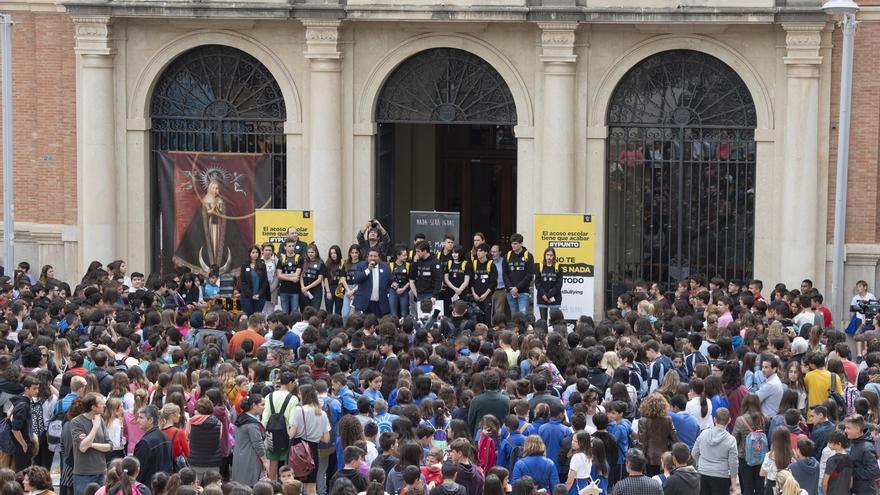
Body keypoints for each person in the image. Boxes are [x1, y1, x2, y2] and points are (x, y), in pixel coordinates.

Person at [291, 384, 332, 495]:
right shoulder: (322, 413)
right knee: (312, 486)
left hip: (299, 450)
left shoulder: (299, 410)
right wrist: (315, 434)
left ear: (304, 395)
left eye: (299, 393)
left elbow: (292, 433)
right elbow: (326, 439)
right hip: (314, 450)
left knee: (295, 485)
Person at [71, 392, 112, 495]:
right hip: (84, 474)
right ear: (93, 407)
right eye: (101, 403)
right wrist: (95, 427)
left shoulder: (100, 420)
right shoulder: (76, 422)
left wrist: (91, 444)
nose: (104, 405)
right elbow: (83, 448)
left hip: (101, 472)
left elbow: (109, 446)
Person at [692, 407, 738, 495]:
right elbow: (733, 463)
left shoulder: (704, 434)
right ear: (729, 420)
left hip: (703, 473)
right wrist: (733, 484)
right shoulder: (731, 439)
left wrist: (700, 463)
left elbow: (694, 452)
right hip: (721, 476)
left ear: (714, 419)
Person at [132, 405, 172, 486]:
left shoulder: (145, 442)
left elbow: (138, 470)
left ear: (150, 420)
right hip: (163, 485)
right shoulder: (164, 436)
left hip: (149, 487)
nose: (137, 420)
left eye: (141, 417)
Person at [843, 414, 880, 495]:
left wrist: (851, 471)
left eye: (848, 428)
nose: (845, 431)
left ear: (857, 429)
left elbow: (874, 472)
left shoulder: (866, 448)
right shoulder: (855, 442)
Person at [468, 370, 510, 437]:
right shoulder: (506, 400)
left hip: (480, 438)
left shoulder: (476, 400)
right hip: (499, 437)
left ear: (484, 384)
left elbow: (470, 421)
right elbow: (507, 420)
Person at [10, 375, 39, 471]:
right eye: (34, 389)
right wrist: (24, 445)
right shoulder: (23, 405)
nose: (37, 391)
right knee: (22, 473)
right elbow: (15, 429)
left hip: (23, 444)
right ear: (26, 389)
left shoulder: (21, 400)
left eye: (37, 388)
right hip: (21, 446)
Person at [353, 248, 393, 317]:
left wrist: (392, 285)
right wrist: (368, 269)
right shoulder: (361, 265)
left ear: (379, 257)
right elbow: (357, 279)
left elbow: (390, 281)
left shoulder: (385, 267)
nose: (373, 258)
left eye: (375, 256)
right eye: (371, 256)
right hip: (364, 304)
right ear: (367, 257)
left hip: (380, 305)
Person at [502, 234, 534, 316]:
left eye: (515, 243)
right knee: (514, 315)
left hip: (523, 292)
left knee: (522, 315)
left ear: (521, 243)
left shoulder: (528, 256)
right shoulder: (507, 256)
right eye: (512, 243)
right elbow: (504, 274)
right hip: (510, 292)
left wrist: (517, 287)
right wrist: (510, 288)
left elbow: (530, 275)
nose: (513, 246)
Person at [239, 245, 270, 315]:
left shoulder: (262, 265)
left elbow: (265, 282)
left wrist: (258, 294)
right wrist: (251, 295)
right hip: (247, 296)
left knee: (258, 317)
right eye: (253, 252)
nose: (255, 254)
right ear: (250, 254)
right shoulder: (245, 265)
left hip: (260, 296)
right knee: (249, 316)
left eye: (256, 252)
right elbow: (243, 282)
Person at [534, 247, 563, 321]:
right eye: (547, 255)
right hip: (542, 297)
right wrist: (544, 294)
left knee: (555, 320)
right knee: (543, 320)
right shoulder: (540, 266)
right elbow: (537, 283)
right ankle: (543, 333)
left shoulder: (558, 267)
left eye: (551, 255)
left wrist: (549, 295)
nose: (549, 257)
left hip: (554, 297)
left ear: (554, 256)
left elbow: (559, 284)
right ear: (544, 255)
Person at [276, 238, 303, 315]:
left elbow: (297, 275)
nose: (291, 247)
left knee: (294, 312)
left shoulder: (299, 258)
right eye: (289, 246)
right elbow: (278, 275)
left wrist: (283, 275)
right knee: (284, 313)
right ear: (285, 247)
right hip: (283, 290)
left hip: (295, 291)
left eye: (293, 246)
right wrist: (292, 277)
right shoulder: (281, 259)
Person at [821, 430, 852, 495]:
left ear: (839, 444)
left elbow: (824, 482)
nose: (828, 445)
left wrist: (825, 493)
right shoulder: (850, 458)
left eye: (830, 442)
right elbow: (851, 480)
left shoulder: (832, 460)